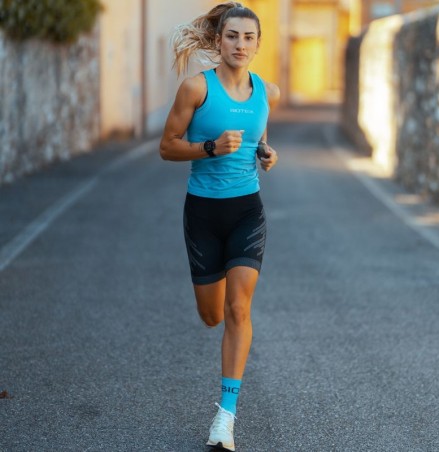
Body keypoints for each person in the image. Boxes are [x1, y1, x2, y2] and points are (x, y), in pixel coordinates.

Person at [159, 2, 279, 450]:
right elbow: (167, 148)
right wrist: (209, 148)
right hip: (203, 213)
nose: (240, 45)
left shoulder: (269, 92)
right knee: (212, 316)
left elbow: (261, 141)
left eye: (248, 37)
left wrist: (267, 154)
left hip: (247, 210)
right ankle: (219, 305)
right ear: (218, 40)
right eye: (232, 36)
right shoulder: (195, 90)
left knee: (239, 310)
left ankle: (225, 419)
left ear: (257, 44)